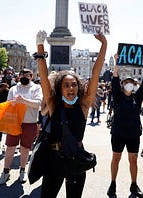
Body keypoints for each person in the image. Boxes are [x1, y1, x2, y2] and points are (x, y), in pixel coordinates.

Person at [34, 30, 107, 197]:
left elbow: (95, 73)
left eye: (74, 84)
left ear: (78, 87)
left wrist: (104, 45)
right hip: (55, 159)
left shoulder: (84, 105)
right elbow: (44, 78)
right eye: (66, 85)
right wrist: (40, 46)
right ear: (60, 89)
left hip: (76, 159)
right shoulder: (53, 105)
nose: (71, 88)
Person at [107, 53, 143, 198]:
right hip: (118, 133)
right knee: (116, 158)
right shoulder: (118, 96)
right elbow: (114, 79)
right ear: (122, 85)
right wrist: (116, 63)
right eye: (126, 82)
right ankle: (112, 184)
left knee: (133, 159)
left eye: (131, 82)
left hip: (133, 134)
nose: (129, 84)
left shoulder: (137, 98)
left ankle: (134, 185)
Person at [0, 68, 42, 184]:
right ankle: (5, 172)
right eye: (22, 74)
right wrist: (14, 102)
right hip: (14, 122)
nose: (24, 77)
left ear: (31, 77)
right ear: (18, 76)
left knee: (25, 148)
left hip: (30, 122)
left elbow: (38, 104)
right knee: (10, 147)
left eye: (27, 75)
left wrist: (23, 101)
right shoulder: (14, 88)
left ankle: (22, 170)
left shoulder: (36, 88)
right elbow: (8, 104)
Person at [0, 67, 16, 152]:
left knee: (11, 128)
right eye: (8, 73)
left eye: (11, 73)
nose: (9, 75)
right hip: (1, 107)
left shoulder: (14, 84)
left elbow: (16, 96)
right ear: (4, 74)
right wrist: (2, 88)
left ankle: (11, 145)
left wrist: (7, 89)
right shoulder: (0, 83)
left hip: (11, 108)